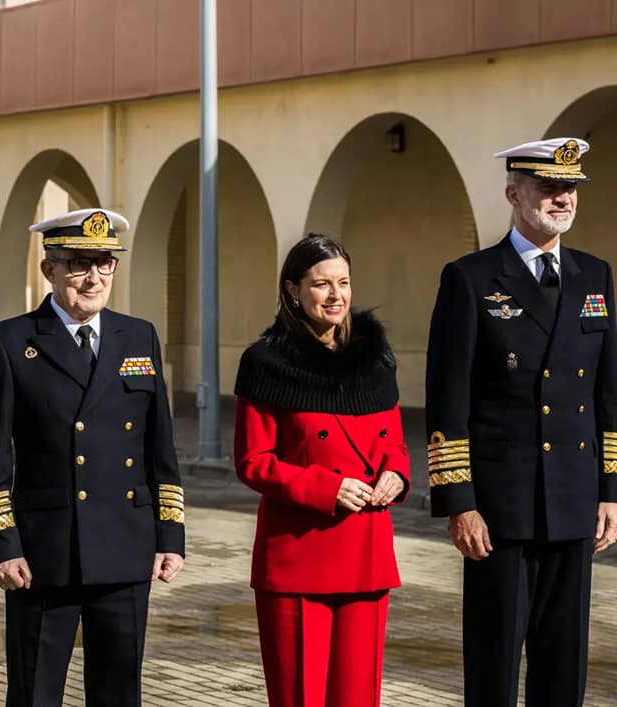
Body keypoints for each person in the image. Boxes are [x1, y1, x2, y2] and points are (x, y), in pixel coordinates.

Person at [425, 137, 617, 706]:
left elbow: (608, 395)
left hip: (573, 500)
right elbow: (447, 401)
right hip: (501, 506)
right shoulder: (472, 278)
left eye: (571, 189)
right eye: (548, 188)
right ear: (514, 193)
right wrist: (460, 502)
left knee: (565, 661)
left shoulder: (594, 275)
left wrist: (609, 492)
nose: (562, 199)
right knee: (495, 658)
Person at [0, 208, 185, 706]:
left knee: (118, 692)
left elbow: (160, 447)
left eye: (105, 264)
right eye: (78, 265)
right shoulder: (11, 340)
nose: (94, 278)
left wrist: (169, 534)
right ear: (49, 269)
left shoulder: (138, 335)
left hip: (126, 547)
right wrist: (2, 545)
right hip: (45, 554)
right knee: (35, 692)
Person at [233, 234, 409, 707]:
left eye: (344, 283)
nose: (336, 296)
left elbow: (393, 440)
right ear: (293, 290)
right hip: (298, 554)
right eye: (321, 284)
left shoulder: (377, 357)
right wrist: (327, 487)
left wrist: (397, 472)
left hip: (366, 551)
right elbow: (252, 462)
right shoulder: (264, 362)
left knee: (358, 696)